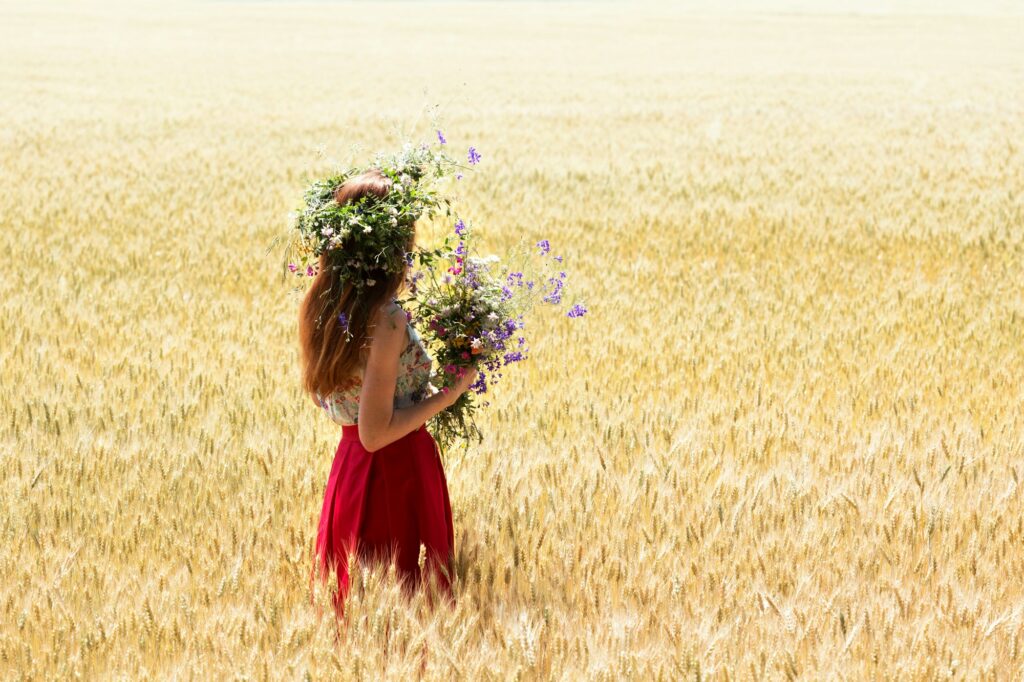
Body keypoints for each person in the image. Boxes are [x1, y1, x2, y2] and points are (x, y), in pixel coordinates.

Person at [299, 168, 478, 618]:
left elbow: (338, 400)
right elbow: (375, 434)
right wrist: (448, 395)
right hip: (396, 472)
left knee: (357, 615)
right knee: (406, 610)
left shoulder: (324, 305)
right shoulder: (387, 319)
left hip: (350, 471)